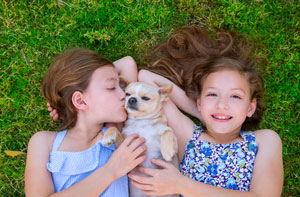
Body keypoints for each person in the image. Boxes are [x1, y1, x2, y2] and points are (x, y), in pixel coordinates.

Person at [128, 26, 283, 196]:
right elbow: (146, 78)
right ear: (199, 102)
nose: (221, 104)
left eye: (235, 97)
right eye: (212, 94)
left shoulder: (264, 140)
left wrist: (183, 186)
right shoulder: (188, 137)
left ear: (250, 108)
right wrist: (205, 113)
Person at [25, 48, 146, 196]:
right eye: (111, 87)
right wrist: (111, 171)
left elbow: (127, 63)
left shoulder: (114, 132)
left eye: (119, 86)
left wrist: (64, 96)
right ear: (80, 100)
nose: (124, 94)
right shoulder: (44, 142)